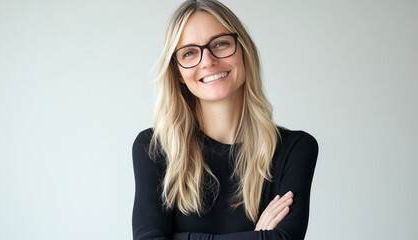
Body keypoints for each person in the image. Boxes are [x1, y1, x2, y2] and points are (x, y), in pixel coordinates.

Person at [132, 0, 318, 239]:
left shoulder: (295, 149)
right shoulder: (154, 149)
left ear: (243, 50)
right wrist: (258, 234)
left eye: (220, 44)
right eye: (189, 53)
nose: (208, 61)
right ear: (178, 71)